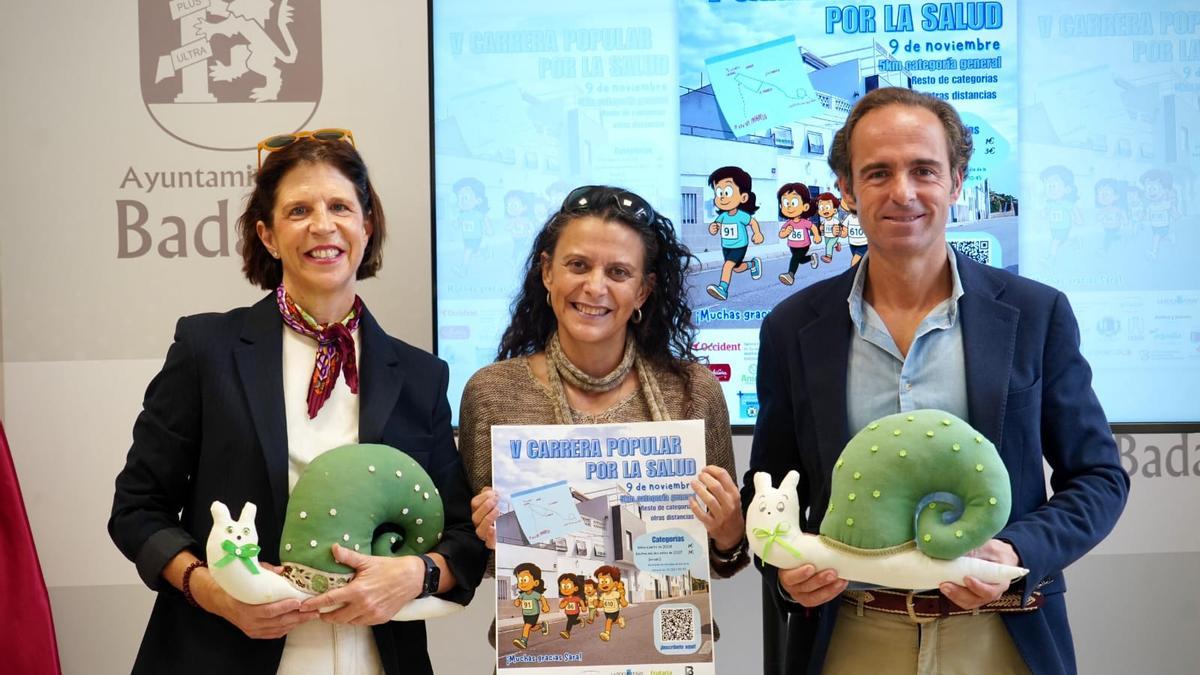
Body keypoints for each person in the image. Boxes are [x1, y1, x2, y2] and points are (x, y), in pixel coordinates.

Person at [744, 88, 1130, 675]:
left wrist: (1015, 552)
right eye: (877, 172)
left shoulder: (1036, 314)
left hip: (1001, 637)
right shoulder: (793, 328)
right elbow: (772, 486)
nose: (903, 192)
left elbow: (1099, 478)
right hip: (850, 637)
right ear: (846, 190)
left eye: (923, 169)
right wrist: (786, 572)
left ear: (955, 181)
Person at [109, 130, 487, 674]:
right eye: (298, 210)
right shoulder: (207, 350)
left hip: (374, 657)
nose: (322, 225)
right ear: (267, 234)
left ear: (367, 225)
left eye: (339, 206)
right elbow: (137, 508)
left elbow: (462, 539)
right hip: (223, 650)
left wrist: (414, 575)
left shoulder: (421, 375)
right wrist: (216, 593)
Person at [458, 185, 749, 648]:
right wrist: (488, 534)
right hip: (542, 652)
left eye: (618, 272)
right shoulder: (492, 394)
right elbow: (483, 563)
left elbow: (723, 560)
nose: (595, 287)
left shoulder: (694, 391)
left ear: (643, 290)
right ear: (547, 273)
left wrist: (730, 529)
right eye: (578, 265)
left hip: (665, 651)